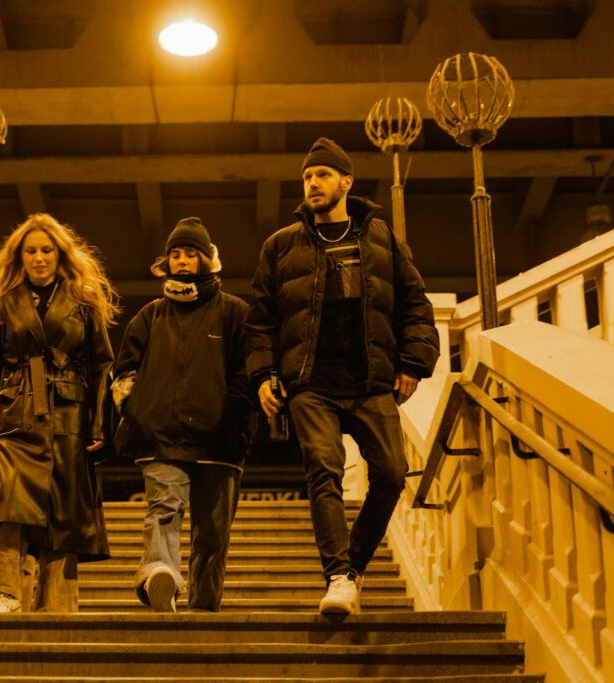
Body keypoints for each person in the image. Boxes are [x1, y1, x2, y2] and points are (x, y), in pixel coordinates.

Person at [246, 138, 439, 614]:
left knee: (393, 474)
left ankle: (351, 568)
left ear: (346, 182)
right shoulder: (280, 246)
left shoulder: (382, 239)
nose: (313, 183)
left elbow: (415, 304)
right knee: (323, 469)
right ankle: (336, 577)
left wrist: (413, 363)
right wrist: (264, 375)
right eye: (308, 177)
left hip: (371, 380)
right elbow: (261, 320)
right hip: (310, 382)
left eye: (323, 175)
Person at [0, 212, 118, 613]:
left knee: (62, 518)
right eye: (31, 251)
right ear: (19, 256)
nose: (39, 257)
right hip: (16, 417)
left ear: (60, 254)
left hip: (70, 417)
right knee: (10, 500)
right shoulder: (4, 304)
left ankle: (58, 608)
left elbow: (102, 366)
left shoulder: (84, 301)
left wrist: (101, 422)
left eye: (47, 250)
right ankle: (6, 590)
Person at [112, 217, 255, 613]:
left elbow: (248, 372)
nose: (182, 261)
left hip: (221, 442)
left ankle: (204, 612)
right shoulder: (149, 316)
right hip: (162, 438)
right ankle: (160, 574)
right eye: (175, 253)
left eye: (191, 253)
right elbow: (124, 373)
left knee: (213, 537)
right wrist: (137, 412)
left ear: (207, 260)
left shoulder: (235, 313)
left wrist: (235, 416)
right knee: (164, 509)